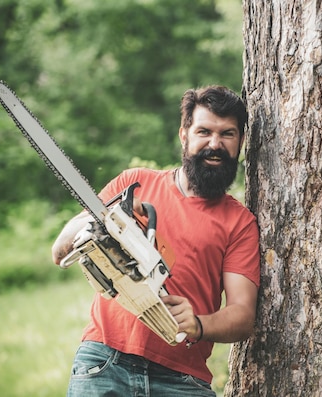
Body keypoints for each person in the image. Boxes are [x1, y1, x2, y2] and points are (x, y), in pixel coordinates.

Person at [51, 85, 260, 397]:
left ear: (240, 141)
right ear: (184, 135)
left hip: (182, 380)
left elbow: (243, 315)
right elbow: (60, 249)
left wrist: (198, 324)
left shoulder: (239, 222)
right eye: (204, 131)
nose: (214, 144)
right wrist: (110, 214)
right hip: (106, 362)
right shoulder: (136, 184)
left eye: (227, 134)